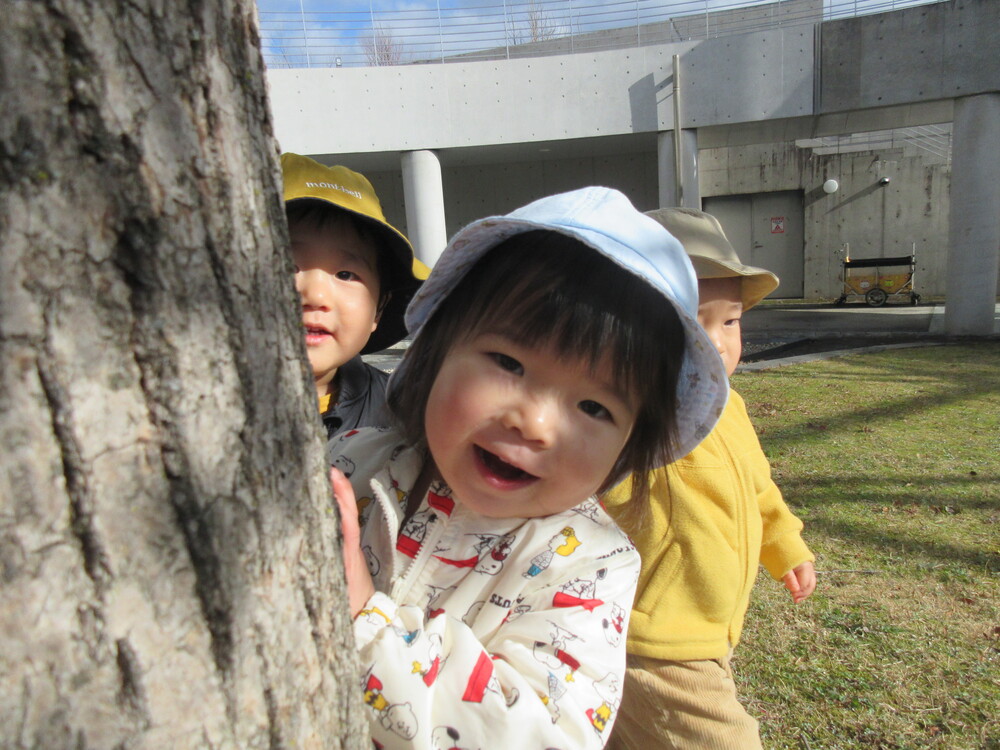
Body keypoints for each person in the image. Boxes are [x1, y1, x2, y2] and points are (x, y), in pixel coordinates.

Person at [327, 188, 730, 749]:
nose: (536, 424)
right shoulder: (349, 463)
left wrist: (364, 621)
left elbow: (540, 736)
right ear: (438, 351)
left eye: (595, 407)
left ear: (629, 444)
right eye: (508, 363)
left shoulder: (589, 568)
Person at [604, 207, 817, 750]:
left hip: (706, 626)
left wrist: (784, 544)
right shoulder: (625, 415)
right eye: (694, 320)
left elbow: (758, 486)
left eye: (731, 321)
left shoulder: (732, 407)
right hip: (653, 640)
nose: (719, 343)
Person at [281, 152, 428, 440]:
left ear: (379, 308)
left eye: (346, 275)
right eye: (286, 266)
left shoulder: (406, 415)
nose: (315, 294)